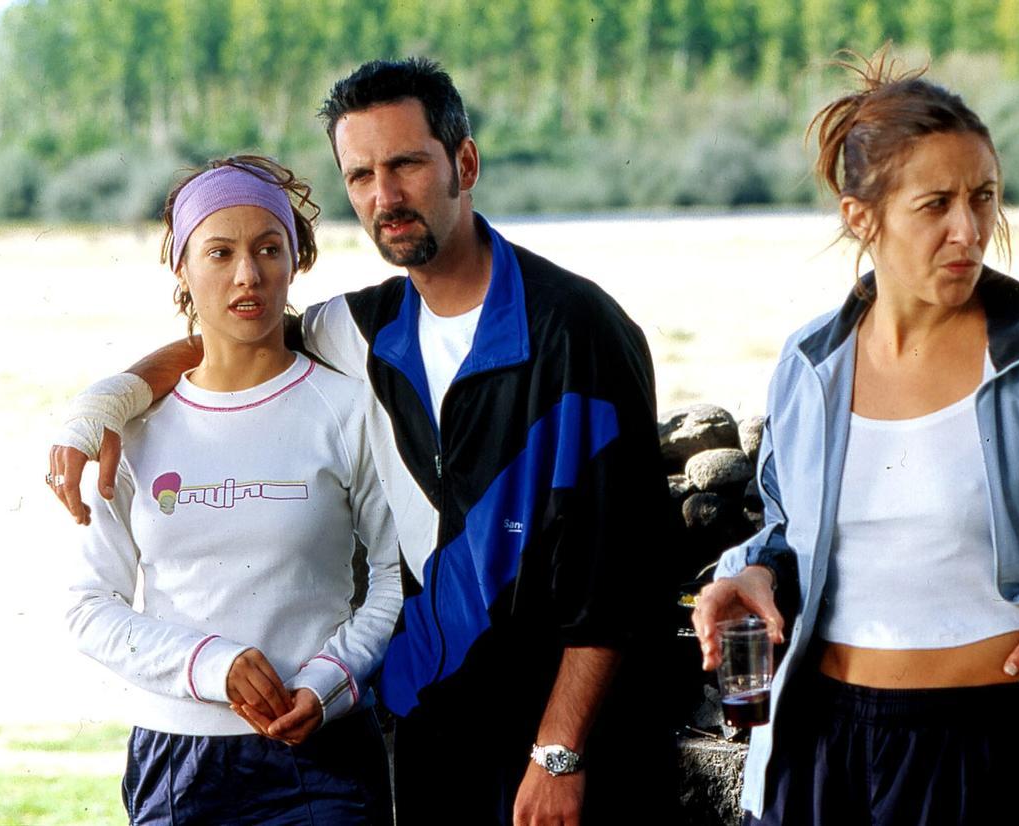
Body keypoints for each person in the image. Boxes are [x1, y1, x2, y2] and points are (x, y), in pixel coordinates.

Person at [49, 59, 678, 825]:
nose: (385, 197)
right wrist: (105, 404)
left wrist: (559, 751)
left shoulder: (577, 329)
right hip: (427, 737)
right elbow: (236, 341)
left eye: (407, 164)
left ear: (465, 163)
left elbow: (622, 567)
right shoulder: (359, 331)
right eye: (361, 175)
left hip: (546, 743)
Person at [692, 50, 1019, 825]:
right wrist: (755, 575)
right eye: (935, 204)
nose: (969, 230)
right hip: (822, 750)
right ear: (861, 217)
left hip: (1001, 755)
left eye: (984, 197)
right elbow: (786, 531)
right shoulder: (811, 366)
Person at [61, 156, 402, 824]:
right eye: (219, 252)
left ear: (295, 261)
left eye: (269, 249)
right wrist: (208, 663)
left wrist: (329, 681)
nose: (248, 275)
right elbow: (87, 607)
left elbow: (395, 576)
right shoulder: (130, 430)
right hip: (179, 761)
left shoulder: (348, 407)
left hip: (324, 755)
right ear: (182, 270)